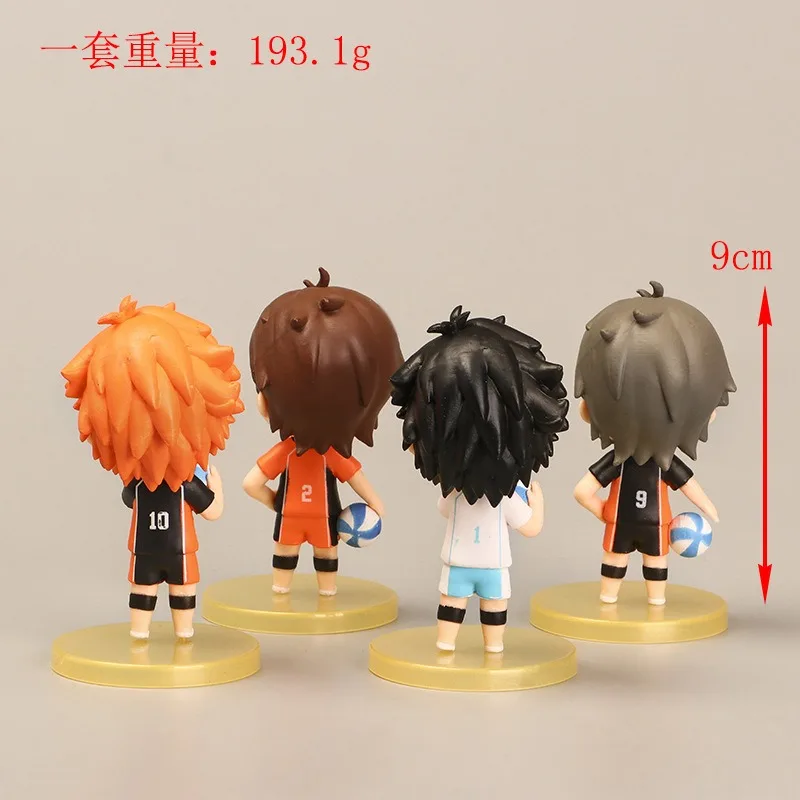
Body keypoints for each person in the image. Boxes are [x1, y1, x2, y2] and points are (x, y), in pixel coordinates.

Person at [61, 296, 244, 639]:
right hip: (180, 549)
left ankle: (141, 633)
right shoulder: (185, 485)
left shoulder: (139, 487)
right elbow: (213, 511)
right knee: (180, 591)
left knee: (145, 591)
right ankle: (183, 634)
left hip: (145, 549)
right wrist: (216, 486)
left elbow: (127, 499)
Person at [390, 306, 569, 653]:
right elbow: (531, 527)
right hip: (493, 563)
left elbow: (443, 509)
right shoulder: (507, 496)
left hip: (457, 561)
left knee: (452, 604)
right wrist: (539, 502)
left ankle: (446, 643)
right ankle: (493, 647)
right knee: (493, 607)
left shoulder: (456, 493)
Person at [572, 281, 736, 605]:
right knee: (643, 563)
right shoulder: (641, 463)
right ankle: (643, 600)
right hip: (650, 522)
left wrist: (602, 510)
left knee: (637, 562)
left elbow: (581, 492)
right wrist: (708, 508)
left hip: (630, 522)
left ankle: (624, 598)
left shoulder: (630, 463)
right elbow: (689, 486)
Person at [243, 269, 403, 596]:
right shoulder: (331, 455)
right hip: (324, 518)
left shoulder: (286, 452)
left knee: (287, 555)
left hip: (291, 518)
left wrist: (277, 503)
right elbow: (356, 478)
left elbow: (250, 484)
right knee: (326, 555)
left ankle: (282, 590)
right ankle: (326, 592)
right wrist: (376, 505)